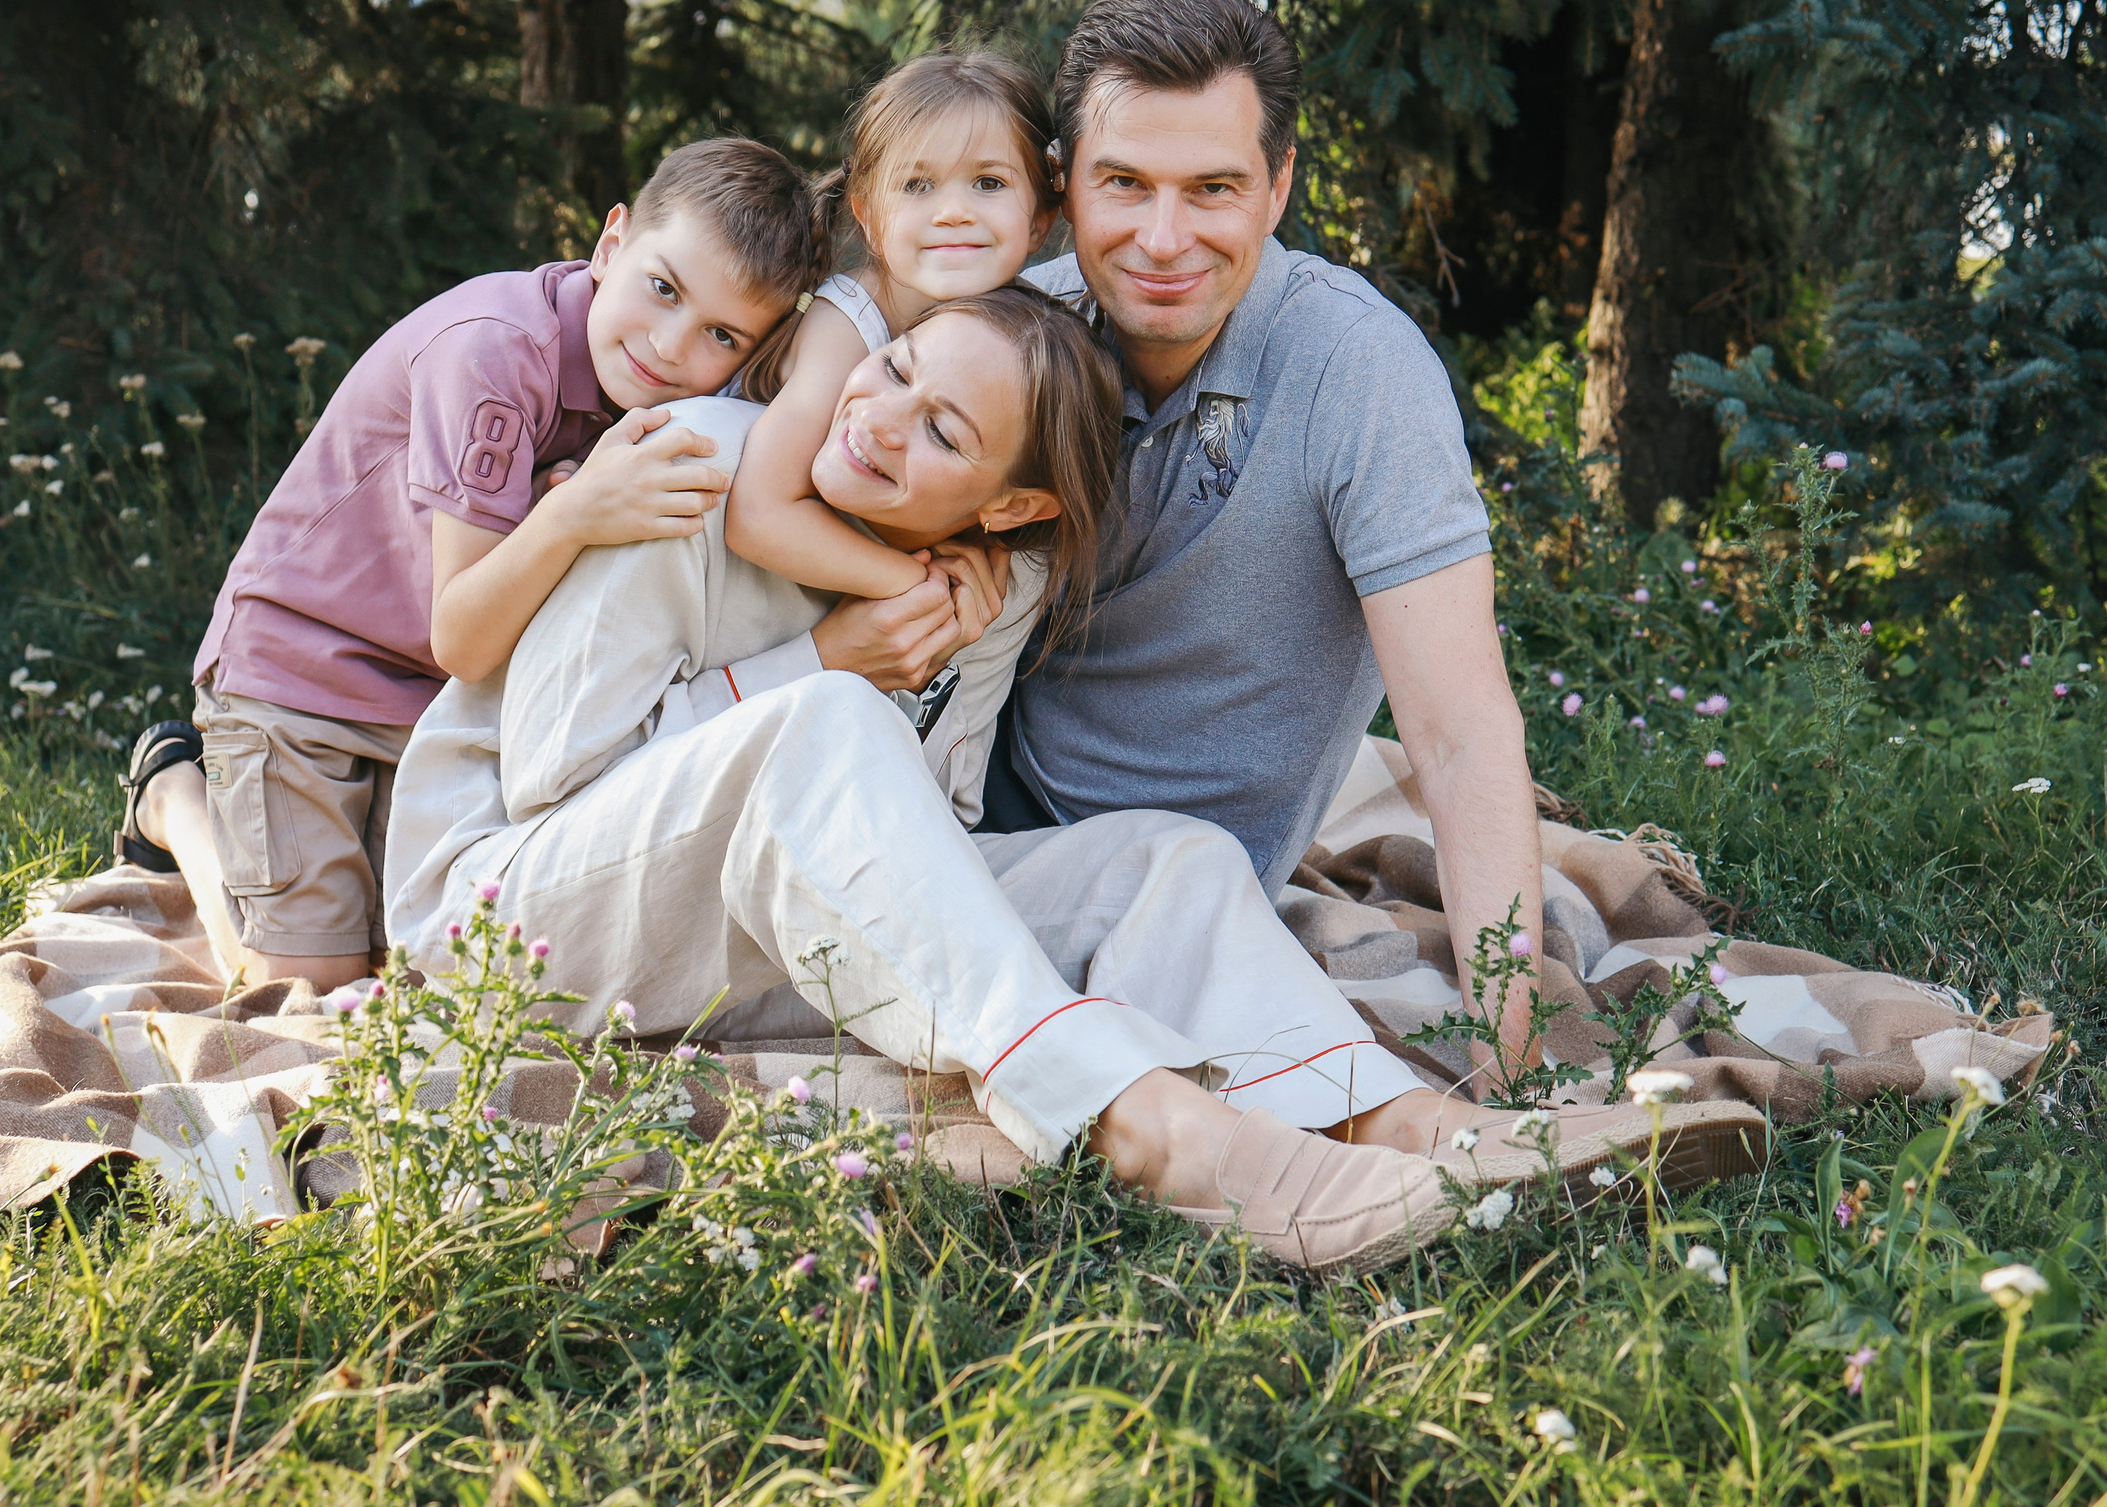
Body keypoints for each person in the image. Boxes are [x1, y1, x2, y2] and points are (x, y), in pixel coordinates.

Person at [382, 284, 1768, 1274]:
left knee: (1165, 852)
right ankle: (1146, 1119)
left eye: (941, 434)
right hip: (512, 910)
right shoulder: (694, 470)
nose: (877, 420)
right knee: (827, 731)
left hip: (730, 930)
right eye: (899, 367)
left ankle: (1411, 1122)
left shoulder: (986, 584)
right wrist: (820, 663)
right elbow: (554, 775)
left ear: (1011, 507)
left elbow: (930, 824)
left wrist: (879, 684)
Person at [995, 0, 1597, 1119]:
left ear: (1276, 187)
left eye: (1212, 188)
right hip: (957, 824)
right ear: (1063, 179)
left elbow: (1462, 737)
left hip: (1187, 898)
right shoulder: (1010, 323)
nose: (1161, 238)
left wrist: (1511, 1059)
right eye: (1122, 184)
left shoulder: (1356, 371)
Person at [114, 138, 837, 992]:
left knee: (436, 968)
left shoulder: (669, 389)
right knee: (305, 990)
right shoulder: (495, 355)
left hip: (439, 710)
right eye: (663, 288)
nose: (673, 345)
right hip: (301, 675)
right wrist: (572, 512)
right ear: (612, 243)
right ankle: (173, 795)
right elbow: (460, 631)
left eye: (720, 333)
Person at [724, 50, 1061, 607]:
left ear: (1039, 220)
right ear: (869, 217)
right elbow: (758, 515)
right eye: (917, 186)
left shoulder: (1014, 340)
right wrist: (915, 585)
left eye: (988, 182)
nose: (953, 211)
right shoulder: (846, 329)